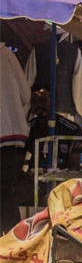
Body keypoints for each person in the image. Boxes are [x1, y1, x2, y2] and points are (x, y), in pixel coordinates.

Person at [1, 42, 31, 232]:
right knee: (5, 191)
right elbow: (26, 95)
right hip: (7, 132)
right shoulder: (6, 55)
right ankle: (13, 244)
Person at [24, 85, 82, 174]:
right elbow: (18, 159)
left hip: (62, 181)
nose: (38, 105)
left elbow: (74, 167)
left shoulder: (71, 129)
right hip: (34, 180)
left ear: (54, 103)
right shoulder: (28, 128)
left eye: (42, 101)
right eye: (34, 102)